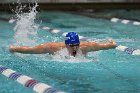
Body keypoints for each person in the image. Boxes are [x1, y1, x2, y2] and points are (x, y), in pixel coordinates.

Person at [9, 32, 117, 57]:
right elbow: (30, 50)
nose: (75, 48)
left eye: (77, 45)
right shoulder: (52, 47)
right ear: (66, 45)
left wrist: (113, 44)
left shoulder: (87, 46)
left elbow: (107, 46)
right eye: (72, 45)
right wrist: (13, 49)